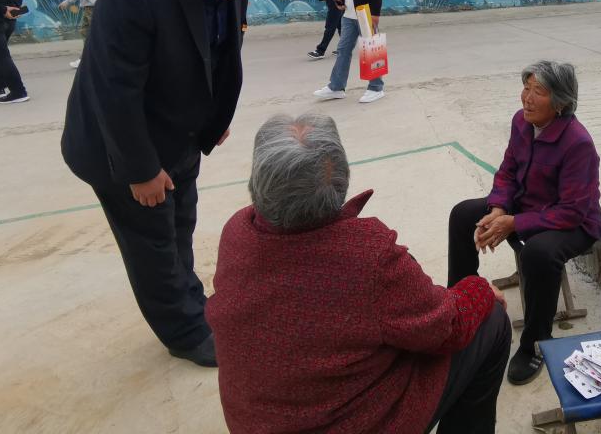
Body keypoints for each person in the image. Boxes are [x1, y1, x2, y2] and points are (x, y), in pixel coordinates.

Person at [61, 0, 275, 367]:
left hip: (180, 134)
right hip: (122, 146)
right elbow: (114, 91)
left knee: (180, 226)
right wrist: (140, 170)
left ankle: (193, 305)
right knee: (153, 243)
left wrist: (214, 119)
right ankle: (186, 333)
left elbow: (218, 54)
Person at [208, 112, 511, 434]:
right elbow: (447, 327)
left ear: (259, 183)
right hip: (351, 423)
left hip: (253, 421)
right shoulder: (366, 254)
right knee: (491, 319)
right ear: (340, 181)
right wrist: (478, 289)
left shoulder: (237, 231)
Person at [448, 60, 601, 385]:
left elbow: (572, 211)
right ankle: (461, 308)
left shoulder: (578, 143)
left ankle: (535, 343)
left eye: (539, 92)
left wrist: (514, 223)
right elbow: (507, 171)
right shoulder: (521, 121)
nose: (527, 98)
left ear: (560, 102)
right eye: (526, 88)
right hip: (526, 204)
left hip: (573, 223)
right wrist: (497, 209)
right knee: (463, 215)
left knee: (538, 253)